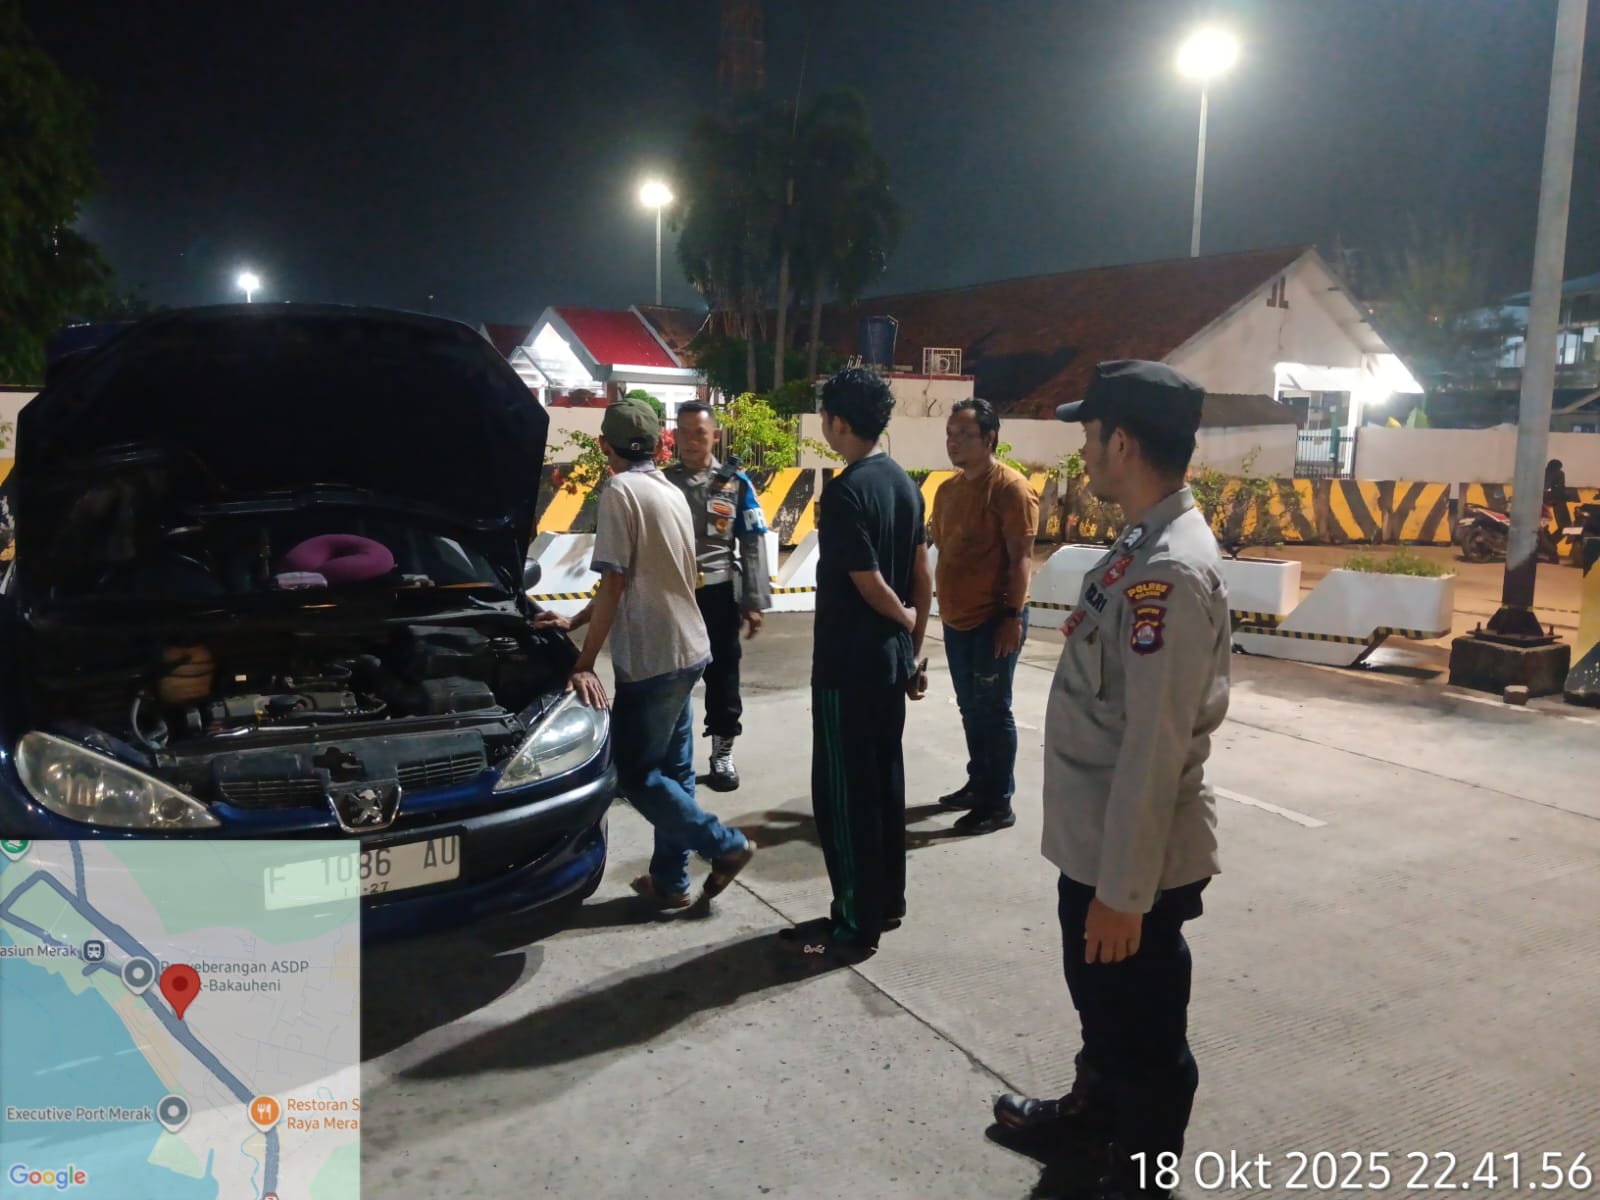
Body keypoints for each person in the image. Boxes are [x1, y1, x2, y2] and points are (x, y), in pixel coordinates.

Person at [991, 361, 1229, 1200]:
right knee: (1102, 1003)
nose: (1083, 451)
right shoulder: (1140, 542)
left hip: (1136, 864)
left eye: (1090, 435)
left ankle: (1142, 1172)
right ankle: (1095, 1117)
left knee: (1148, 1035)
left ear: (1122, 442)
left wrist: (1124, 894)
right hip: (1099, 843)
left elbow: (1153, 748)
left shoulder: (1171, 573)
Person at [534, 397, 754, 908]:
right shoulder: (668, 490)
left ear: (603, 445)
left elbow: (614, 581)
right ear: (659, 444)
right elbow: (637, 574)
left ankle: (726, 845)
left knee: (635, 776)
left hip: (654, 659)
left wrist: (584, 661)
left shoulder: (619, 491)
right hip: (689, 649)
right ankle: (671, 883)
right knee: (674, 775)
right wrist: (574, 620)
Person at [780, 366, 932, 963]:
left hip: (848, 668)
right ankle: (886, 901)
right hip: (890, 666)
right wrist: (914, 645)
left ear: (839, 423)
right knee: (885, 784)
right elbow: (923, 574)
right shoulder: (905, 485)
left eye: (826, 416)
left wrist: (902, 619)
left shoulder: (845, 493)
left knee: (843, 798)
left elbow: (869, 584)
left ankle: (852, 920)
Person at [928, 397, 1039, 835]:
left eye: (964, 434)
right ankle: (979, 784)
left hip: (995, 620)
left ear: (990, 438)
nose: (953, 442)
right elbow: (944, 546)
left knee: (993, 710)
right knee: (970, 707)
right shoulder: (947, 491)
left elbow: (1021, 558)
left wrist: (1012, 616)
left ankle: (998, 802)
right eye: (950, 434)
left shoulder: (1011, 489)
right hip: (956, 620)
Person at [664, 401, 772, 791]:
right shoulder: (662, 483)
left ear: (715, 435)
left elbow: (753, 543)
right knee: (668, 677)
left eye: (699, 432)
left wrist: (754, 601)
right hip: (672, 596)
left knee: (723, 677)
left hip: (719, 595)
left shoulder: (736, 484)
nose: (691, 440)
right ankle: (669, 755)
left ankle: (722, 753)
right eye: (683, 431)